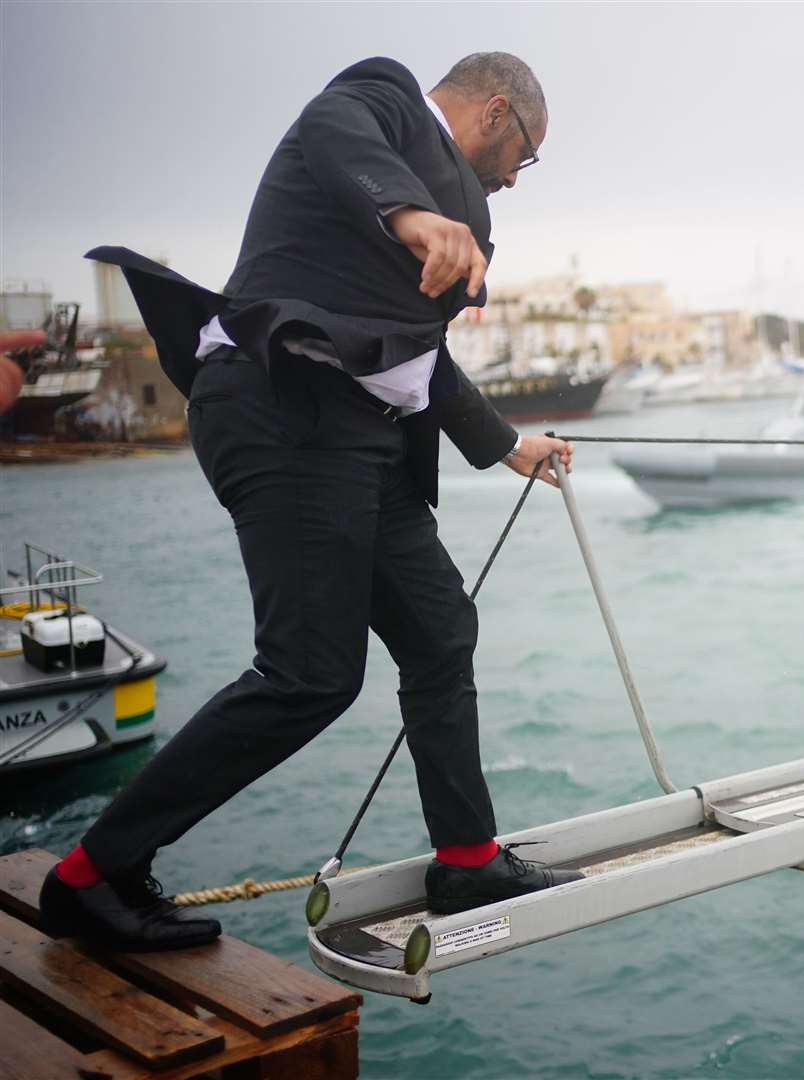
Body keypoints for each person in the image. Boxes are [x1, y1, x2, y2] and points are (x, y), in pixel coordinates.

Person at [39, 54, 584, 952]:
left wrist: (506, 445)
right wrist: (411, 216)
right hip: (280, 408)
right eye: (524, 157)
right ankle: (90, 877)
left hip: (361, 438)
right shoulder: (380, 100)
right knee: (310, 673)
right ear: (497, 112)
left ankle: (467, 856)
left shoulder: (466, 213)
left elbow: (417, 356)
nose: (515, 181)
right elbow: (337, 134)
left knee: (442, 629)